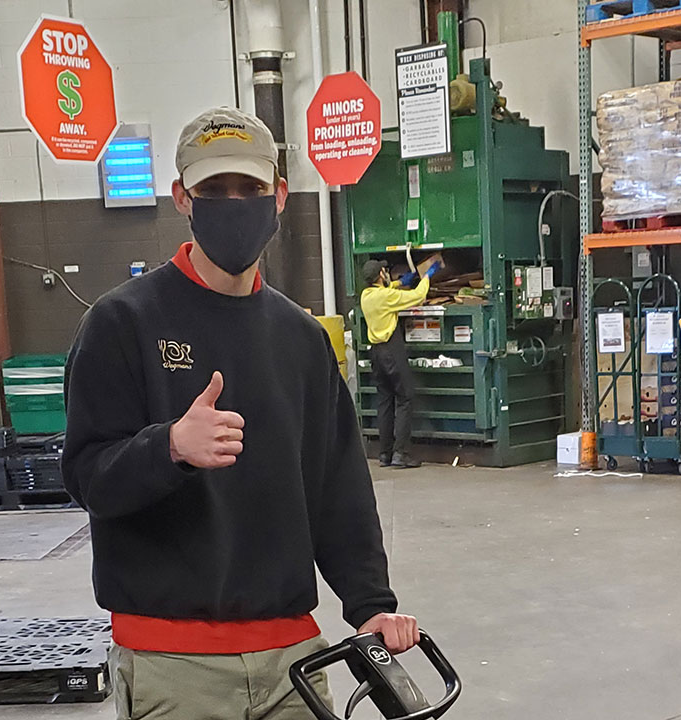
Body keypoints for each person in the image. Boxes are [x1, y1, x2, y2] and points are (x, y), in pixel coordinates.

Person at [62, 107, 419, 720]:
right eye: (213, 190)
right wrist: (168, 447)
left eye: (250, 189)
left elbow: (338, 487)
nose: (234, 204)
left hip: (294, 664)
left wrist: (369, 604)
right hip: (173, 666)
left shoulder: (302, 339)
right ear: (182, 197)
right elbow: (89, 478)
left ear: (279, 196)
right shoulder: (121, 325)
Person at [360, 259, 440, 469]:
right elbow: (417, 297)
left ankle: (385, 453)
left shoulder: (366, 296)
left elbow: (387, 292)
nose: (388, 274)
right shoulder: (386, 297)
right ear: (380, 275)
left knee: (385, 401)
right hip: (391, 351)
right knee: (405, 397)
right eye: (385, 271)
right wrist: (426, 277)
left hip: (376, 353)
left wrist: (400, 282)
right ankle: (401, 453)